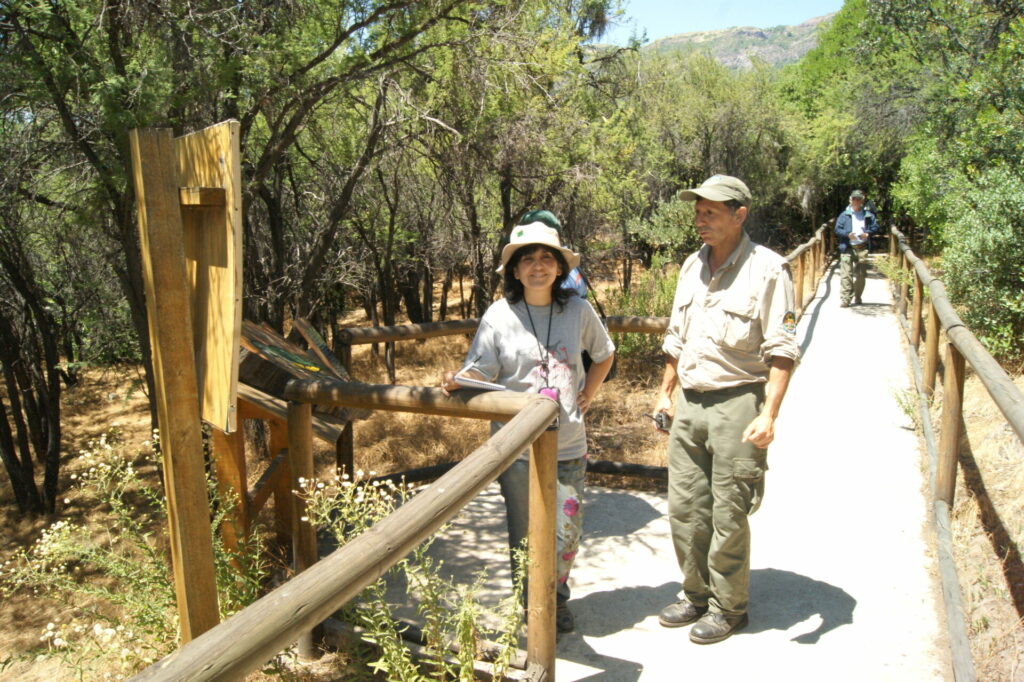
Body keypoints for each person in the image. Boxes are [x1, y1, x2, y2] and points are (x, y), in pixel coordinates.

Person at [441, 218, 615, 633]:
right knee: (524, 530)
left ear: (559, 268)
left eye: (547, 258)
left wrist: (587, 393)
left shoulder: (578, 309)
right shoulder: (499, 316)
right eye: (528, 259)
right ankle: (531, 605)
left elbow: (604, 353)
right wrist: (458, 380)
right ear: (515, 271)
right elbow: (481, 370)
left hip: (569, 442)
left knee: (566, 532)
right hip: (516, 445)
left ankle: (556, 596)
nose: (538, 265)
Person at [652, 174, 800, 644]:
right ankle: (695, 594)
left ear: (740, 215)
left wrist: (768, 414)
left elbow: (782, 349)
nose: (700, 220)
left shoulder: (769, 270)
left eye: (710, 212)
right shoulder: (690, 266)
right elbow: (676, 338)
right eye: (697, 212)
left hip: (739, 401)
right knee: (685, 508)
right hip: (690, 403)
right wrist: (664, 392)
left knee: (729, 512)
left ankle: (729, 607)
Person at [834, 189, 880, 307]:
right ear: (850, 200)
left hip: (862, 248)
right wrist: (847, 234)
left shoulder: (868, 215)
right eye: (854, 199)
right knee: (846, 275)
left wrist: (868, 234)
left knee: (861, 275)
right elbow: (837, 229)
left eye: (858, 199)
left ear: (862, 201)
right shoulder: (844, 215)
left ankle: (857, 296)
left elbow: (876, 227)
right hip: (847, 247)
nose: (856, 201)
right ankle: (845, 299)